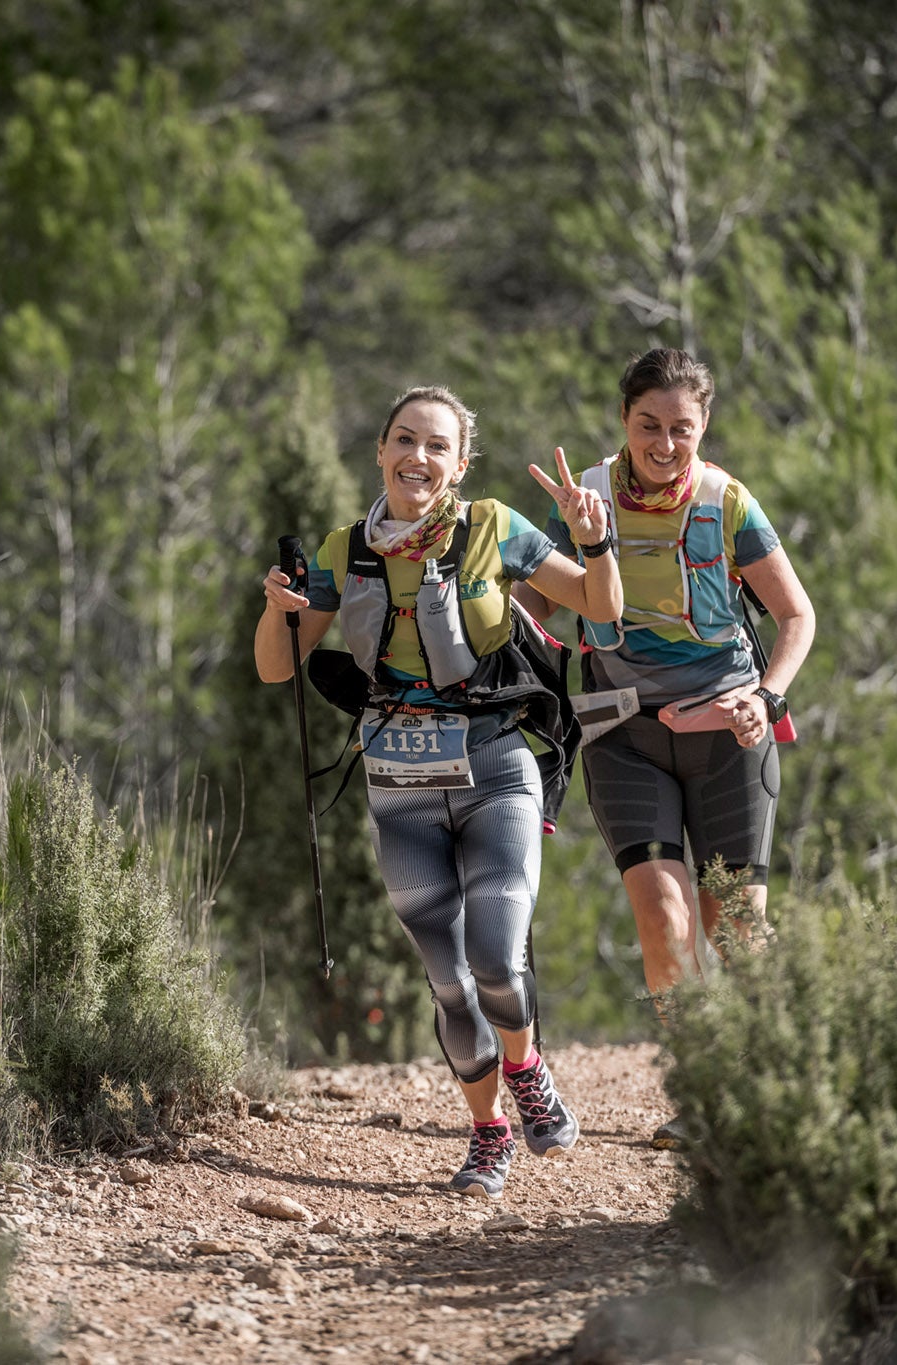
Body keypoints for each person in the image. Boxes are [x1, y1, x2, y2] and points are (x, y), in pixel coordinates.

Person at [255, 385, 622, 1199]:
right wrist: (277, 609)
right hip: (399, 784)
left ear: (460, 465)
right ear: (381, 450)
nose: (417, 457)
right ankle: (489, 1134)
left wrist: (598, 546)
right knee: (449, 981)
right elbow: (277, 666)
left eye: (436, 446)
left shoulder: (495, 526)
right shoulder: (340, 549)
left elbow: (601, 606)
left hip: (496, 767)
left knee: (495, 956)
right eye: (403, 440)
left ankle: (526, 1068)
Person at [515, 348, 816, 1151]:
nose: (664, 443)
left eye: (682, 428)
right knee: (662, 914)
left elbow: (796, 617)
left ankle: (776, 1082)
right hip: (623, 732)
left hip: (727, 733)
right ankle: (706, 1090)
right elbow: (532, 599)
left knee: (736, 929)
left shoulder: (728, 502)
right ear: (624, 420)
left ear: (703, 427)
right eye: (648, 424)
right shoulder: (585, 499)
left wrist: (765, 695)